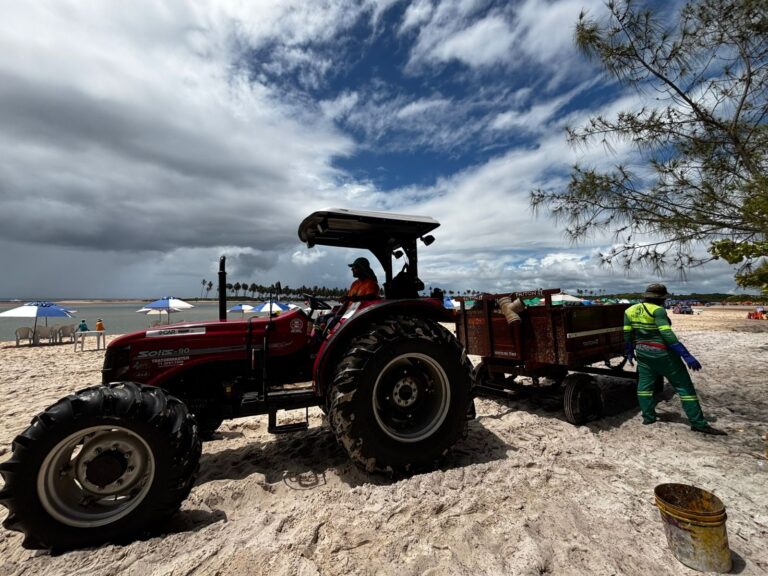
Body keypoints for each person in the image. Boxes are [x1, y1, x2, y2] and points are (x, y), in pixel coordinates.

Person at [624, 283, 726, 435]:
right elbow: (666, 334)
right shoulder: (658, 311)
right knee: (684, 387)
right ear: (661, 298)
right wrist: (686, 355)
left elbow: (627, 333)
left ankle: (648, 417)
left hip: (643, 353)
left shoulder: (629, 310)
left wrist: (629, 352)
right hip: (663, 354)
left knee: (644, 387)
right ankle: (698, 423)